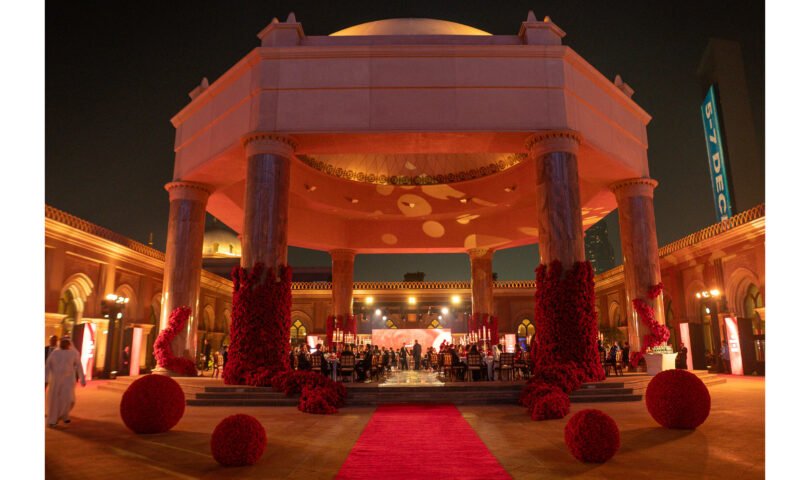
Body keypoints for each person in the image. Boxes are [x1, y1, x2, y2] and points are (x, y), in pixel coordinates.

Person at [46, 337, 86, 427]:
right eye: (63, 342)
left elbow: (79, 366)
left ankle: (64, 415)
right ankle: (53, 419)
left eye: (66, 342)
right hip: (56, 380)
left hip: (68, 380)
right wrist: (45, 378)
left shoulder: (73, 353)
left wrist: (82, 379)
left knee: (69, 399)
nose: (64, 344)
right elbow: (48, 365)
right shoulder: (55, 353)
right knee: (55, 399)